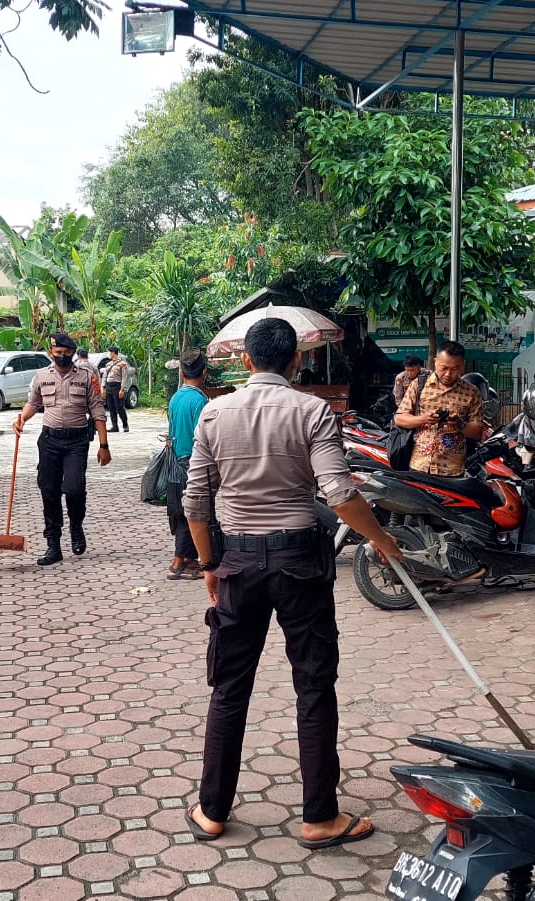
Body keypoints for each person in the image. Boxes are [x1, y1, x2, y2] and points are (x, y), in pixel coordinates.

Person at [181, 318, 403, 850]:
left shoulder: (214, 412)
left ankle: (212, 811)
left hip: (237, 563)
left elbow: (194, 501)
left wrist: (209, 564)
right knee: (313, 685)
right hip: (300, 562)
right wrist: (382, 542)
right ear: (296, 360)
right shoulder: (312, 412)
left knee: (229, 687)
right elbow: (339, 493)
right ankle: (319, 817)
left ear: (248, 361)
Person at [12, 333, 111, 566]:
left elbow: (97, 409)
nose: (63, 356)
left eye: (67, 353)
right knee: (49, 491)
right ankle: (53, 545)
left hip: (76, 442)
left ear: (73, 353)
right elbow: (33, 403)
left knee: (75, 489)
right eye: (59, 353)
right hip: (49, 442)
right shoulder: (41, 376)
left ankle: (76, 526)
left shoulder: (87, 377)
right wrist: (22, 419)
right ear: (51, 352)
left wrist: (104, 445)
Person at [396, 342, 486, 477]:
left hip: (453, 470)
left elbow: (478, 432)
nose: (448, 374)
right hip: (419, 465)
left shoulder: (472, 392)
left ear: (462, 365)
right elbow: (400, 418)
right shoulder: (419, 385)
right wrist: (423, 418)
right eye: (444, 368)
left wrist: (459, 423)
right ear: (435, 362)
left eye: (455, 368)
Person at [166, 348, 211, 580]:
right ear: (204, 372)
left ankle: (189, 561)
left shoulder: (176, 398)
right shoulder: (201, 401)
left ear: (182, 373)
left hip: (175, 461)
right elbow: (203, 438)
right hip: (193, 462)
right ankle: (179, 563)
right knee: (193, 511)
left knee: (183, 510)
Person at [103, 345, 131, 433]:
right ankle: (114, 426)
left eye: (109, 352)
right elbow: (104, 376)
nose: (109, 354)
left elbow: (124, 377)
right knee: (111, 407)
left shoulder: (122, 363)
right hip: (109, 386)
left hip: (117, 386)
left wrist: (122, 389)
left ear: (113, 352)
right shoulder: (108, 364)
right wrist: (103, 387)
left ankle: (125, 424)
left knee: (119, 407)